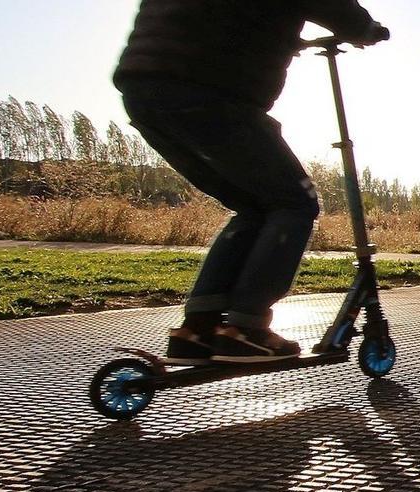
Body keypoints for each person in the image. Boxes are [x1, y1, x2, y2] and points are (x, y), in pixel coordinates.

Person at [114, 0, 388, 363]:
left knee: (254, 205)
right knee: (295, 202)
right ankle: (247, 328)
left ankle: (199, 328)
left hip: (143, 89)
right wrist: (365, 29)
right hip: (207, 87)